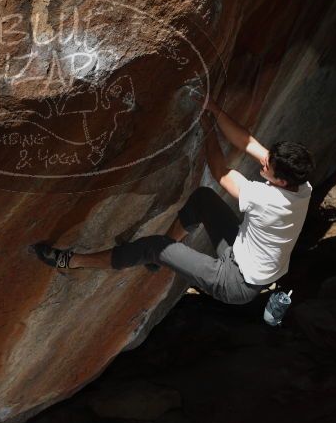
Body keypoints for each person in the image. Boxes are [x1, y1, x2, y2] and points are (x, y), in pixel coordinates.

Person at [32, 100, 315, 305]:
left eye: (269, 168)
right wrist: (214, 108)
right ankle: (165, 256)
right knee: (202, 199)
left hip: (236, 282)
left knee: (153, 246)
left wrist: (208, 128)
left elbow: (221, 172)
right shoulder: (301, 185)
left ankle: (75, 261)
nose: (263, 164)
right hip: (247, 256)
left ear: (280, 182)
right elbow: (248, 142)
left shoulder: (268, 200)